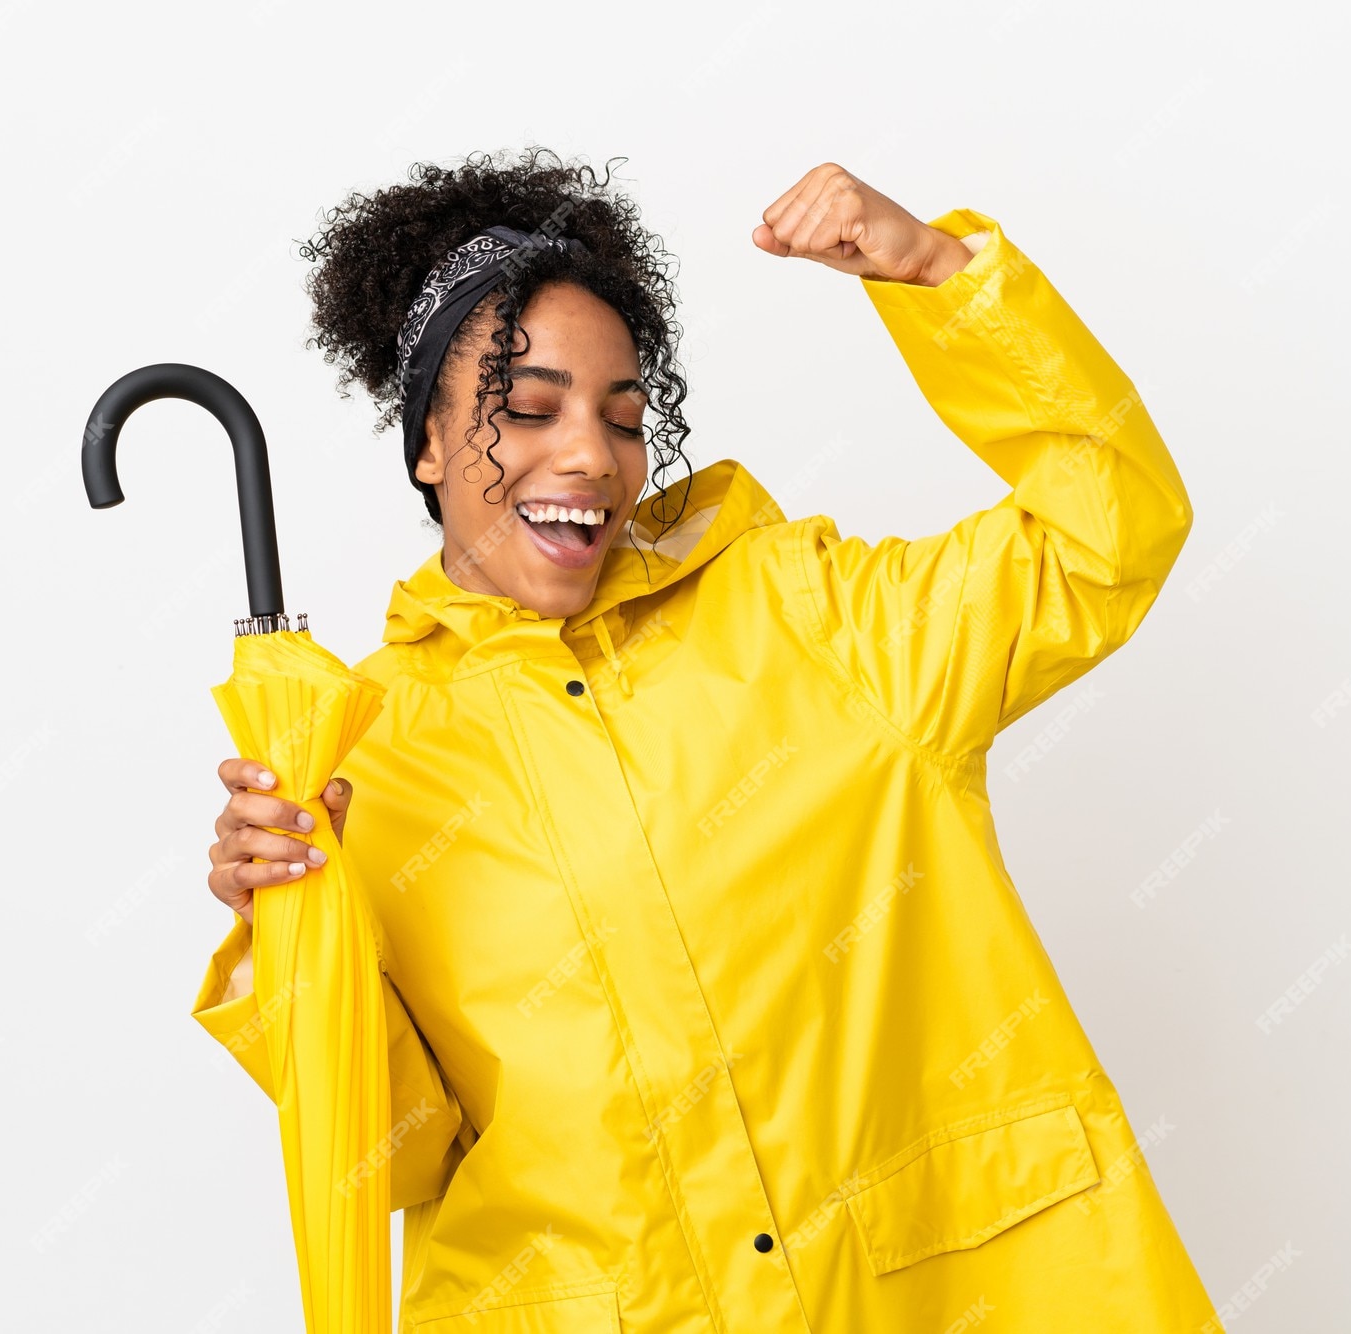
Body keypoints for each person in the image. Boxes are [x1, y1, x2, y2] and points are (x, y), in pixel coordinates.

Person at [193, 147, 1218, 1332]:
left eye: (623, 418)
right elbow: (397, 1156)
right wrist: (285, 940)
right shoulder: (356, 757)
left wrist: (940, 275)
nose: (587, 452)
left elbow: (1112, 528)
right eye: (526, 408)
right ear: (424, 445)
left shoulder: (820, 625)